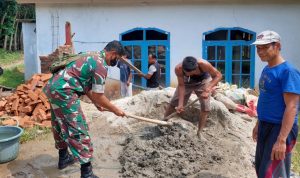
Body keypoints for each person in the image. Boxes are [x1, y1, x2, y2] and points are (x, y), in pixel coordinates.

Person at [43, 40, 126, 178]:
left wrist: (95, 102)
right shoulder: (101, 65)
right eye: (117, 59)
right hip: (65, 91)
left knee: (58, 124)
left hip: (53, 88)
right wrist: (115, 109)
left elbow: (85, 84)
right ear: (113, 53)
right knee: (78, 128)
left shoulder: (89, 55)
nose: (116, 62)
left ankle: (63, 158)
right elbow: (100, 96)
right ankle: (86, 173)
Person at [252, 30, 300, 178]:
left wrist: (281, 140)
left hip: (280, 128)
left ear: (277, 46)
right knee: (261, 168)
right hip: (265, 125)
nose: (260, 52)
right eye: (258, 48)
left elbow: (292, 107)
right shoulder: (267, 69)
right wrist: (258, 123)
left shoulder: (288, 72)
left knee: (272, 173)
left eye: (265, 47)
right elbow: (266, 98)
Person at [164, 56, 222, 140]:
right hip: (186, 83)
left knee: (205, 107)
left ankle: (199, 132)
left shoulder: (204, 64)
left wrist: (208, 89)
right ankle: (163, 122)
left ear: (196, 67)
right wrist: (180, 104)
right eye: (187, 73)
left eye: (192, 72)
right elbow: (181, 85)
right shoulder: (178, 69)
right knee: (174, 103)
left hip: (203, 81)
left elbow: (218, 75)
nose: (189, 74)